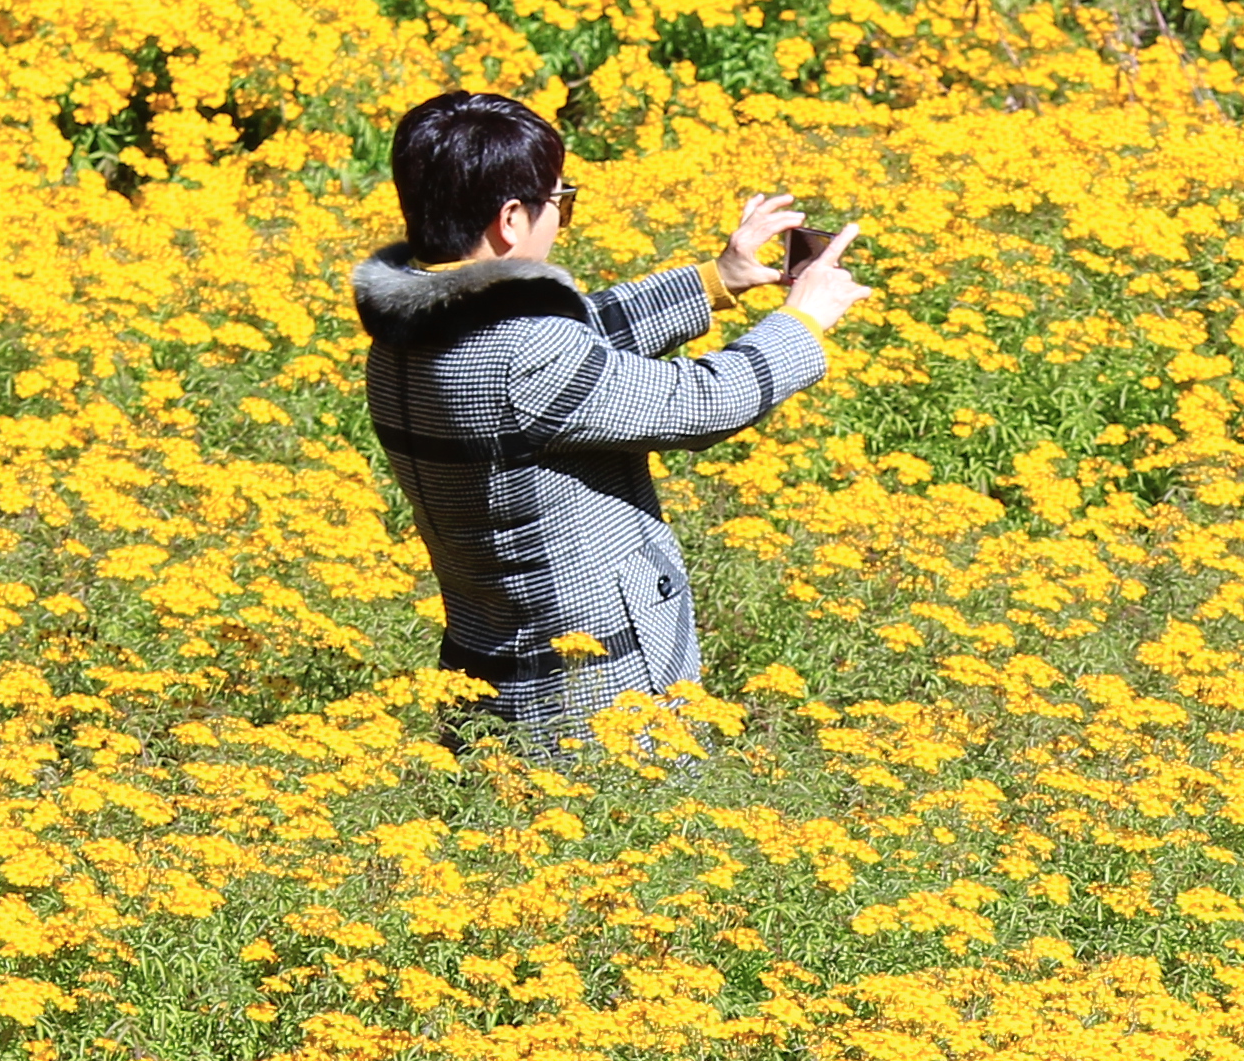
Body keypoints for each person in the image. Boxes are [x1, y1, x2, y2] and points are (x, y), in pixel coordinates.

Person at [353, 90, 866, 759]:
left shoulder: (411, 330)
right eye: (559, 201)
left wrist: (718, 278)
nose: (562, 219)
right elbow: (703, 402)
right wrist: (802, 322)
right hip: (589, 693)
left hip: (493, 666)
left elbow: (574, 338)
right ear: (512, 219)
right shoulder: (522, 357)